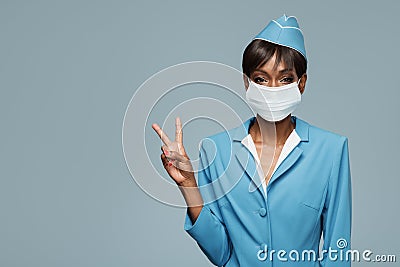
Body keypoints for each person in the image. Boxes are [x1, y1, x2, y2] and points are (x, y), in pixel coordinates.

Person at [152, 15, 352, 267]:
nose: (273, 88)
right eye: (261, 78)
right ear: (247, 82)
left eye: (285, 78)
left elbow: (339, 253)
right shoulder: (217, 150)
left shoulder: (331, 151)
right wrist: (189, 185)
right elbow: (221, 253)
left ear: (301, 83)